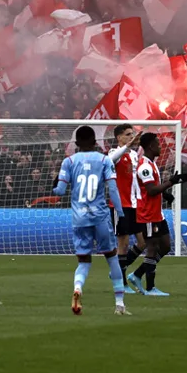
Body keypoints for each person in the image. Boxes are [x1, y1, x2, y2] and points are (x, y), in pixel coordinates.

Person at [52, 126, 128, 316]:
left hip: (79, 218)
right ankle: (119, 304)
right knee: (112, 257)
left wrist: (56, 184)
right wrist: (121, 213)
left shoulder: (69, 162)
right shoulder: (104, 160)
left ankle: (78, 287)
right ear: (95, 142)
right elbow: (113, 189)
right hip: (100, 217)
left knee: (84, 261)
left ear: (76, 143)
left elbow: (59, 192)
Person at [125, 132, 187, 296]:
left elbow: (151, 188)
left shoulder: (151, 164)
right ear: (151, 146)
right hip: (147, 214)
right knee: (152, 247)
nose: (160, 147)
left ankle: (137, 274)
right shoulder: (144, 166)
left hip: (157, 213)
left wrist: (165, 194)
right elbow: (151, 190)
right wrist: (172, 182)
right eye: (158, 144)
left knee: (165, 246)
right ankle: (150, 288)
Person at [106, 124, 146, 277]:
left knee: (143, 242)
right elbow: (110, 160)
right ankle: (121, 280)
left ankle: (117, 271)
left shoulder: (134, 155)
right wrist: (128, 146)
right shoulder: (113, 153)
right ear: (119, 137)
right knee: (123, 242)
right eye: (128, 134)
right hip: (120, 205)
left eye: (132, 134)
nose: (131, 137)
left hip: (135, 204)